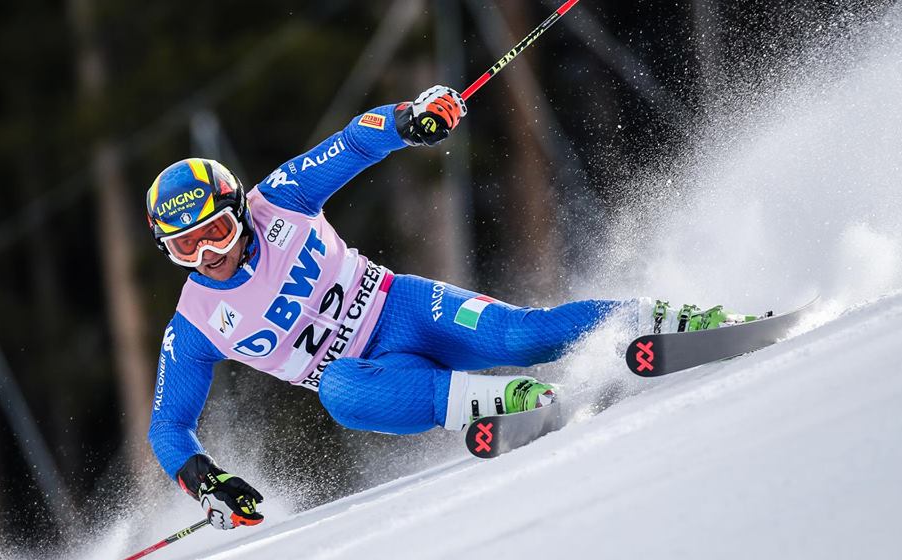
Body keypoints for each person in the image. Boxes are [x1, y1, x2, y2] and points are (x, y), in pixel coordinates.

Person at [145, 85, 753, 530]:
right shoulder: (194, 323)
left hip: (403, 307)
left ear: (239, 213)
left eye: (216, 232)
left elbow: (353, 142)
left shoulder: (281, 199)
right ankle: (509, 400)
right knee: (339, 393)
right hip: (380, 378)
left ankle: (668, 318)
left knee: (523, 336)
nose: (207, 254)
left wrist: (410, 119)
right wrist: (204, 480)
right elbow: (168, 426)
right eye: (184, 247)